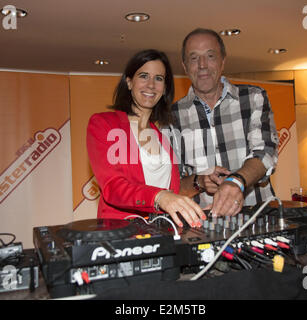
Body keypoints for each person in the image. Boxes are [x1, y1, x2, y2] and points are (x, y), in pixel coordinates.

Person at [87, 49, 206, 228]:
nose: (151, 85)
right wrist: (159, 197)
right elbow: (113, 187)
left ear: (164, 88)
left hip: (164, 232)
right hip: (123, 235)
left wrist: (197, 199)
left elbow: (171, 191)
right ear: (129, 82)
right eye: (144, 76)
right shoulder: (104, 124)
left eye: (159, 78)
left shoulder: (163, 137)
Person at [171, 28, 279, 216]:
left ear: (223, 61)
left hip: (257, 217)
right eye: (194, 58)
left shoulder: (253, 97)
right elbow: (173, 184)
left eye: (210, 56)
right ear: (185, 66)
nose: (202, 65)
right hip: (201, 224)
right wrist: (199, 181)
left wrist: (236, 181)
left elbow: (265, 153)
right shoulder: (171, 115)